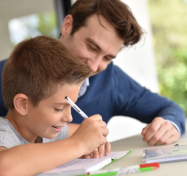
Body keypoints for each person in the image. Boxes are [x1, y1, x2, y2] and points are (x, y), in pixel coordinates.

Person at [0, 0, 185, 149]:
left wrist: (170, 126)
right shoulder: (10, 75)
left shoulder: (111, 79)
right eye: (91, 47)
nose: (94, 67)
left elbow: (171, 109)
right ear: (67, 26)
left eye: (107, 58)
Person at [0, 36, 109, 176]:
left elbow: (81, 131)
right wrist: (79, 144)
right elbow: (4, 169)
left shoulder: (41, 130)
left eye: (71, 106)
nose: (69, 117)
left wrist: (95, 136)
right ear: (23, 104)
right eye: (59, 108)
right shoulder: (3, 132)